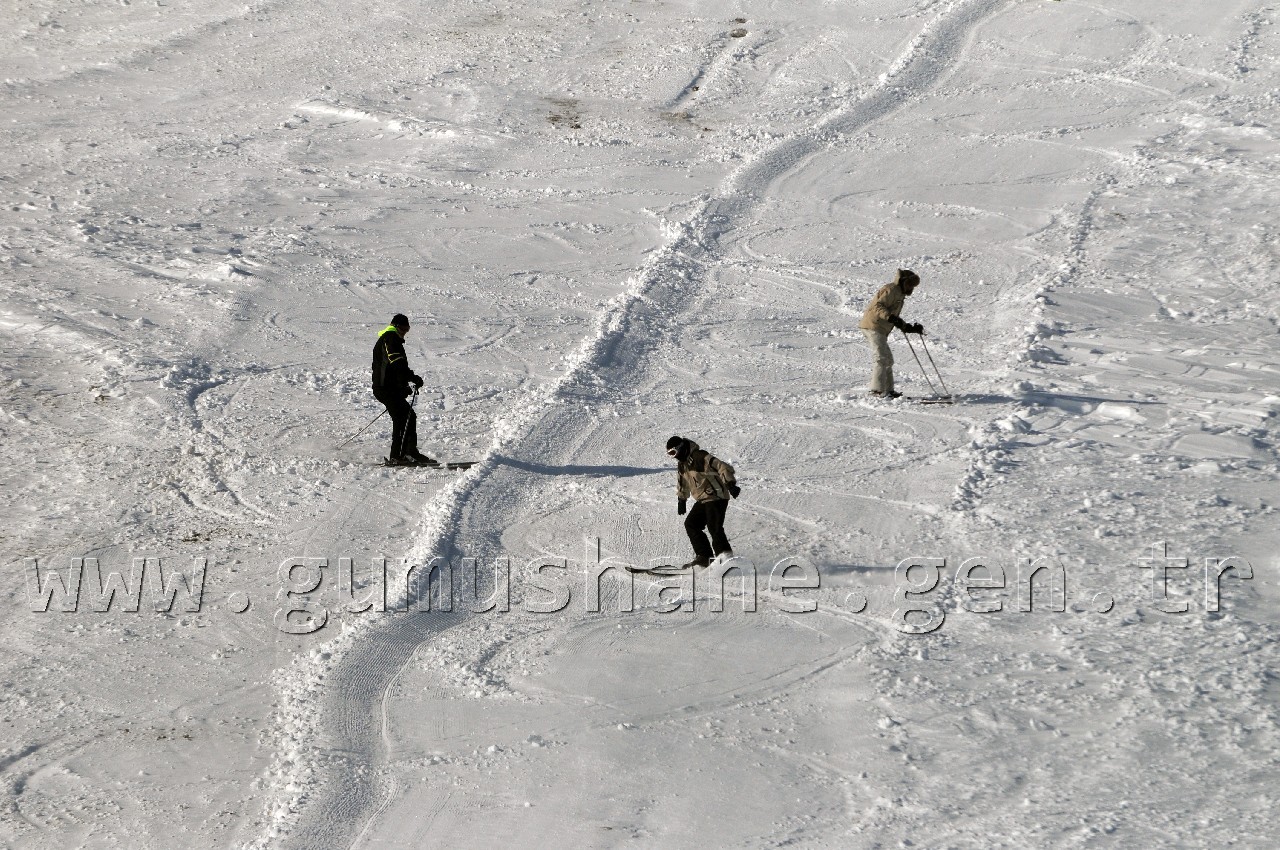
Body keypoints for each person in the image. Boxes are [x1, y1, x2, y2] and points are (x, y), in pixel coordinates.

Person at [666, 436, 740, 568]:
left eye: (673, 453)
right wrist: (681, 499)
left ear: (680, 448)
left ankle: (726, 558)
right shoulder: (682, 465)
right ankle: (705, 557)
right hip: (703, 499)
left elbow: (721, 466)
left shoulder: (700, 457)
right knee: (691, 524)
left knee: (714, 527)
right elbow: (682, 483)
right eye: (670, 455)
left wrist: (730, 483)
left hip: (717, 496)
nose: (673, 457)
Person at [371, 314, 433, 465]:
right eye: (404, 328)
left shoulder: (391, 339)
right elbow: (397, 364)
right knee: (402, 418)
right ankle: (397, 456)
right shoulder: (390, 339)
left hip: (389, 387)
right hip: (385, 388)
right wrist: (413, 378)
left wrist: (403, 385)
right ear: (397, 326)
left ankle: (409, 452)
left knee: (408, 416)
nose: (405, 332)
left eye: (408, 329)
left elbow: (394, 368)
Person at [858, 269, 925, 398]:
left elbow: (893, 316)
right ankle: (876, 390)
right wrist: (892, 318)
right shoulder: (891, 290)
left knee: (888, 359)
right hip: (873, 325)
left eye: (913, 285)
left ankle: (888, 391)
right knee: (881, 357)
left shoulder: (900, 294)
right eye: (909, 283)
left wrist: (908, 327)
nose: (911, 287)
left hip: (880, 328)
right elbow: (877, 307)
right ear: (903, 281)